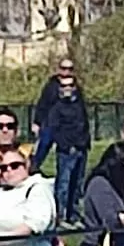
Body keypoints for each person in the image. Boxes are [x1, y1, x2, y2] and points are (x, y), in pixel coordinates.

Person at [32, 56, 90, 222]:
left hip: (80, 145)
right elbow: (43, 107)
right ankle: (60, 215)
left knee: (77, 183)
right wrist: (37, 123)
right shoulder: (51, 89)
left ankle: (74, 214)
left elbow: (84, 121)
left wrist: (85, 142)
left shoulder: (78, 97)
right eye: (64, 69)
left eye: (70, 70)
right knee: (63, 182)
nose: (66, 73)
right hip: (59, 138)